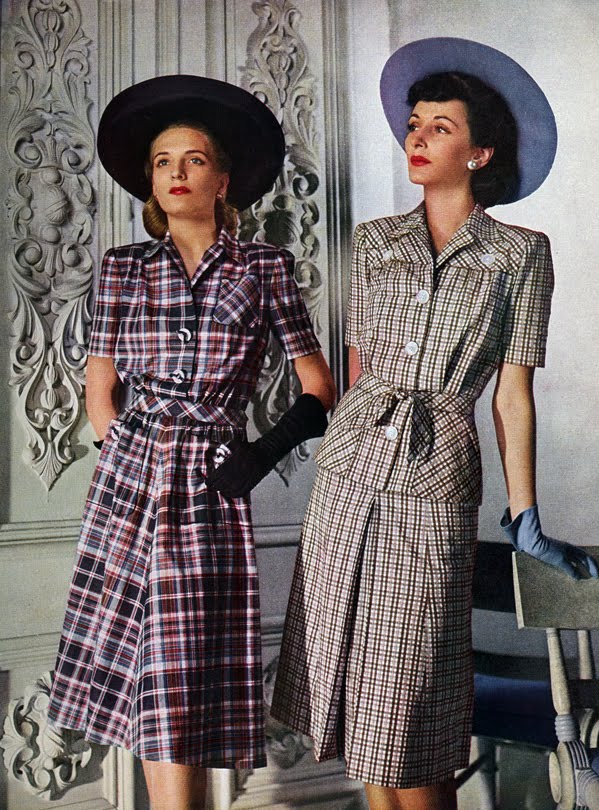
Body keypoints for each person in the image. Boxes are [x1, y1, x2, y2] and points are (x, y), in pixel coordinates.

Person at [271, 37, 599, 810]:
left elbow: (511, 394)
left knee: (409, 709)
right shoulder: (374, 241)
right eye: (414, 124)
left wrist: (525, 515)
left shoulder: (521, 254)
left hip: (437, 469)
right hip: (347, 476)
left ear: (480, 153)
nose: (417, 138)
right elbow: (359, 373)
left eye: (440, 127)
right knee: (359, 712)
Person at [47, 74, 335, 809]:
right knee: (142, 677)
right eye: (163, 162)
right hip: (128, 484)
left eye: (194, 159)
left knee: (182, 674)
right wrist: (124, 457)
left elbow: (319, 388)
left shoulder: (263, 269)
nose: (177, 173)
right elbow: (101, 390)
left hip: (213, 481)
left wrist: (257, 458)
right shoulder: (122, 269)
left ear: (223, 180)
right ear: (150, 182)